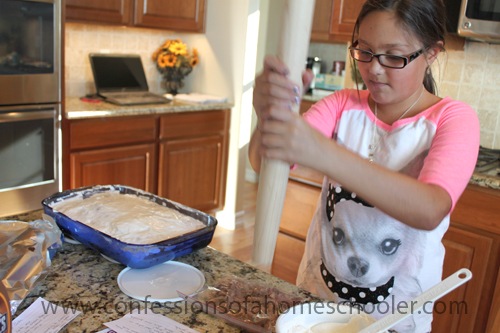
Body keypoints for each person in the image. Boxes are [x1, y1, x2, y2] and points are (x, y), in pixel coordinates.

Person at [248, 0, 480, 332]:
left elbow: (430, 208)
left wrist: (323, 152)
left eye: (393, 56)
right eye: (365, 51)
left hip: (396, 319)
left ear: (431, 53)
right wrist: (267, 116)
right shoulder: (341, 105)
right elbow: (264, 163)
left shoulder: (452, 119)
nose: (373, 69)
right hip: (320, 306)